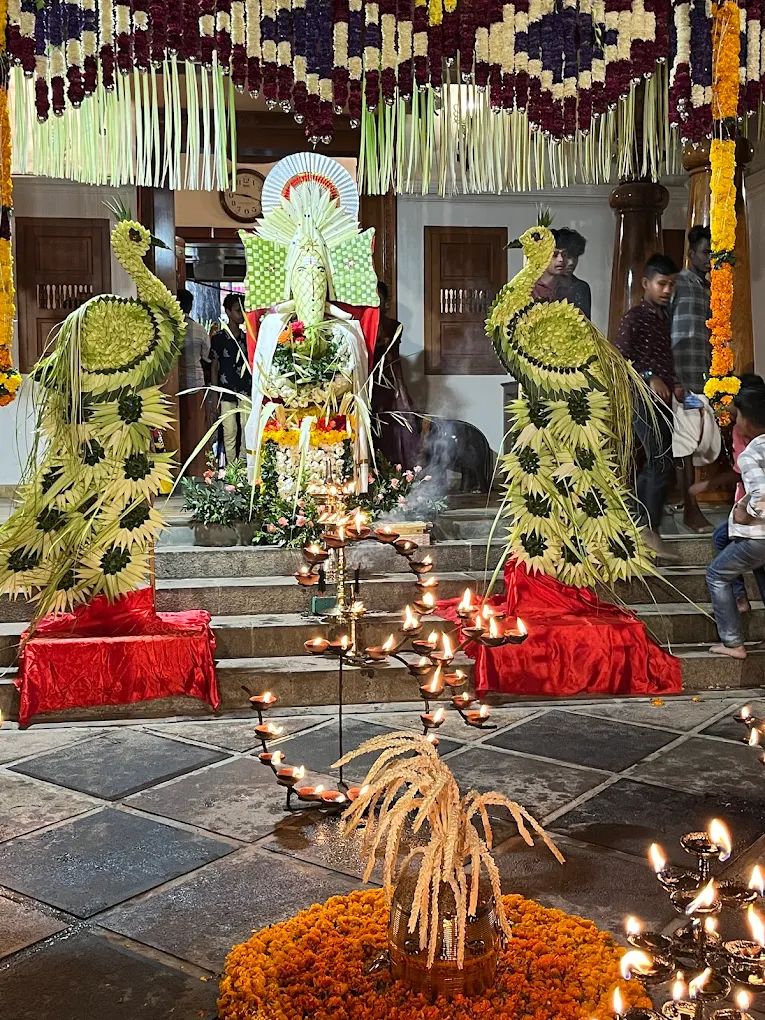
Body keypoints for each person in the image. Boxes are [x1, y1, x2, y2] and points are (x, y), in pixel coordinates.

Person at [614, 253, 680, 563]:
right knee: (658, 460)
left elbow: (664, 359)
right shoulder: (635, 317)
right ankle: (649, 531)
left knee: (660, 461)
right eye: (662, 284)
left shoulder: (664, 318)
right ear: (645, 284)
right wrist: (651, 377)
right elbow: (621, 360)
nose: (667, 290)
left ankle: (642, 525)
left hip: (664, 401)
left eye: (671, 284)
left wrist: (674, 382)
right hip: (641, 399)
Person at [692, 374, 765, 614]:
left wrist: (747, 512)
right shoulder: (740, 433)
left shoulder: (752, 449)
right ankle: (740, 598)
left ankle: (737, 612)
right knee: (724, 540)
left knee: (719, 568)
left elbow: (754, 487)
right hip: (750, 512)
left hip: (755, 517)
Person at [706, 385, 765, 659]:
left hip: (757, 536)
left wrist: (747, 512)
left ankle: (733, 642)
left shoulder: (751, 454)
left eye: (738, 416)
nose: (735, 421)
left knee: (717, 575)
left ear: (749, 422)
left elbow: (762, 495)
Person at [669, 225, 714, 533]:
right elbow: (666, 325)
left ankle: (688, 504)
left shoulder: (708, 286)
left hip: (703, 375)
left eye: (713, 253)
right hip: (681, 375)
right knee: (684, 442)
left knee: (699, 442)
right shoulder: (680, 283)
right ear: (691, 254)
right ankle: (690, 509)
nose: (709, 259)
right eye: (705, 253)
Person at [371, 281, 419, 470]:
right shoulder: (363, 324)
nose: (377, 302)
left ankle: (395, 472)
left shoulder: (393, 326)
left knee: (397, 426)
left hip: (388, 382)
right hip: (367, 382)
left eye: (380, 299)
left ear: (385, 302)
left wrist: (401, 390)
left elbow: (393, 360)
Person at [212, 293, 251, 464]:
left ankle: (243, 465)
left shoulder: (249, 338)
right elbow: (214, 365)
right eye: (237, 310)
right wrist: (214, 393)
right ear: (227, 312)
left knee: (246, 427)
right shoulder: (218, 338)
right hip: (225, 389)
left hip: (246, 388)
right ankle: (231, 467)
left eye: (243, 310)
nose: (241, 314)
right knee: (229, 429)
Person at [176, 287, 211, 477]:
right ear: (191, 305)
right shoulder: (199, 330)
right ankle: (197, 469)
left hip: (174, 384)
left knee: (178, 425)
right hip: (196, 382)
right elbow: (206, 356)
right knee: (197, 428)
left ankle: (177, 466)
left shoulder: (170, 329)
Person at [553, 227, 592, 319]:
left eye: (575, 256)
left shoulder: (581, 288)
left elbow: (587, 327)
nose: (571, 262)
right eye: (567, 256)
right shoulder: (541, 286)